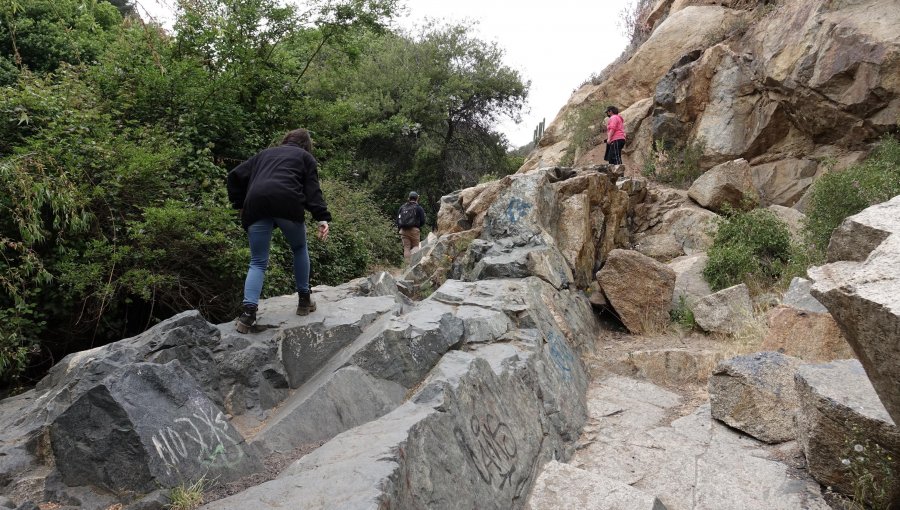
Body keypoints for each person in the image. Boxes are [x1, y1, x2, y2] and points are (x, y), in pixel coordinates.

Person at [226, 128, 331, 334]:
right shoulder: (305, 157)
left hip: (255, 204)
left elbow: (234, 175)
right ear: (306, 145)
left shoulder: (264, 154)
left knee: (257, 261)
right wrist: (322, 217)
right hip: (287, 203)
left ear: (286, 140)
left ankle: (247, 315)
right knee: (299, 248)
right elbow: (313, 191)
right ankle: (304, 301)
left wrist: (240, 204)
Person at [396, 191, 426, 263]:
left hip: (403, 230)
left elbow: (397, 220)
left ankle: (407, 265)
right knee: (416, 246)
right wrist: (417, 227)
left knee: (406, 248)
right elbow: (423, 220)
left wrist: (400, 228)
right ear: (417, 198)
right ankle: (414, 264)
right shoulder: (418, 208)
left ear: (408, 198)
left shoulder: (402, 207)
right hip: (414, 230)